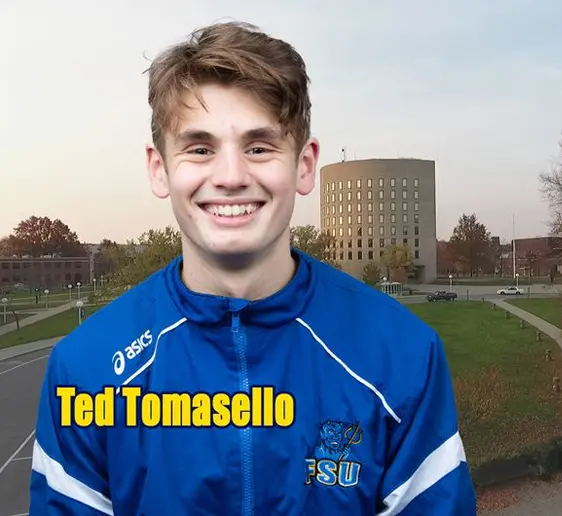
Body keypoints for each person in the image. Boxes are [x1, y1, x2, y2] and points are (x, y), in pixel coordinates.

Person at [29, 21, 476, 515]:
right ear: (160, 169)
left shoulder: (403, 355)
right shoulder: (87, 369)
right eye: (200, 148)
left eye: (259, 147)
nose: (231, 177)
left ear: (304, 165)